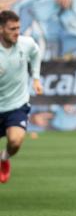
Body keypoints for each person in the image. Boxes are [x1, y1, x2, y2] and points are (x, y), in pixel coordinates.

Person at [0, 10, 43, 183]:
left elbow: (36, 53)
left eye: (18, 28)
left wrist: (36, 78)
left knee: (16, 142)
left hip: (16, 105)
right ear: (1, 29)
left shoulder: (26, 43)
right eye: (12, 29)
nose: (17, 32)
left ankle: (3, 159)